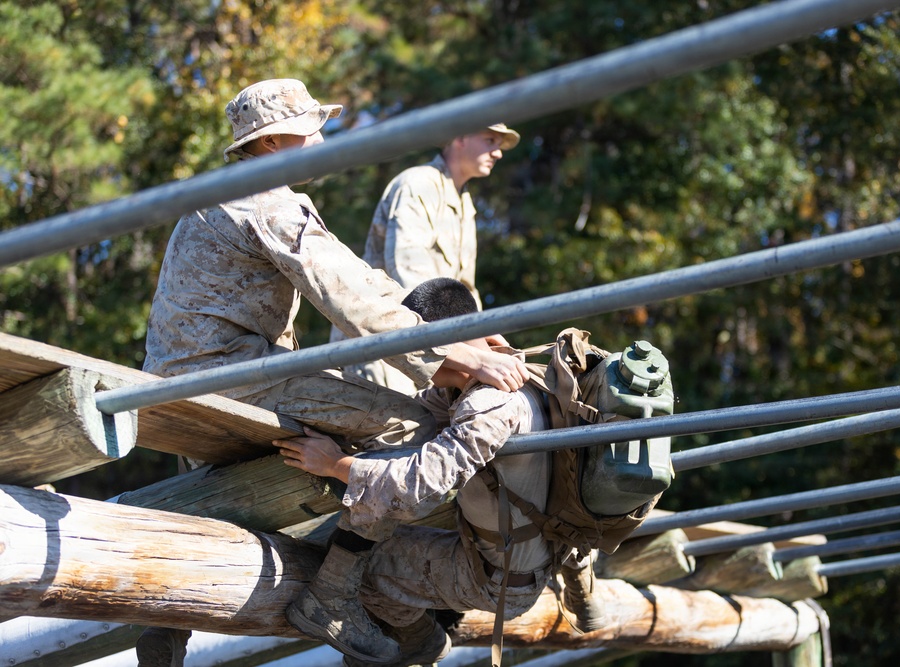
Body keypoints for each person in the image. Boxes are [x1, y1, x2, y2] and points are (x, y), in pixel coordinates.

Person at [139, 79, 530, 666]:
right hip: (230, 374)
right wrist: (456, 358)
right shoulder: (268, 199)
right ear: (272, 142)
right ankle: (339, 592)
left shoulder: (232, 192)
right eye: (311, 128)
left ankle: (166, 618)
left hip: (195, 369)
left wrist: (458, 336)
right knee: (419, 429)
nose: (324, 138)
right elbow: (348, 295)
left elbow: (358, 279)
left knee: (217, 487)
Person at [276, 278, 606, 667]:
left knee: (364, 564)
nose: (412, 362)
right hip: (558, 540)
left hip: (505, 579)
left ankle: (420, 641)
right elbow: (415, 413)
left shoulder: (488, 404)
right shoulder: (529, 368)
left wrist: (333, 464)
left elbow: (420, 485)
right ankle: (582, 587)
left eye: (416, 351)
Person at [330, 123, 520, 395]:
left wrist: (487, 343)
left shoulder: (464, 203)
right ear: (459, 137)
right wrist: (476, 352)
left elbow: (465, 292)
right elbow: (414, 283)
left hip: (432, 351)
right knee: (387, 437)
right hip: (385, 350)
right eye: (490, 139)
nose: (498, 152)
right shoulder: (417, 185)